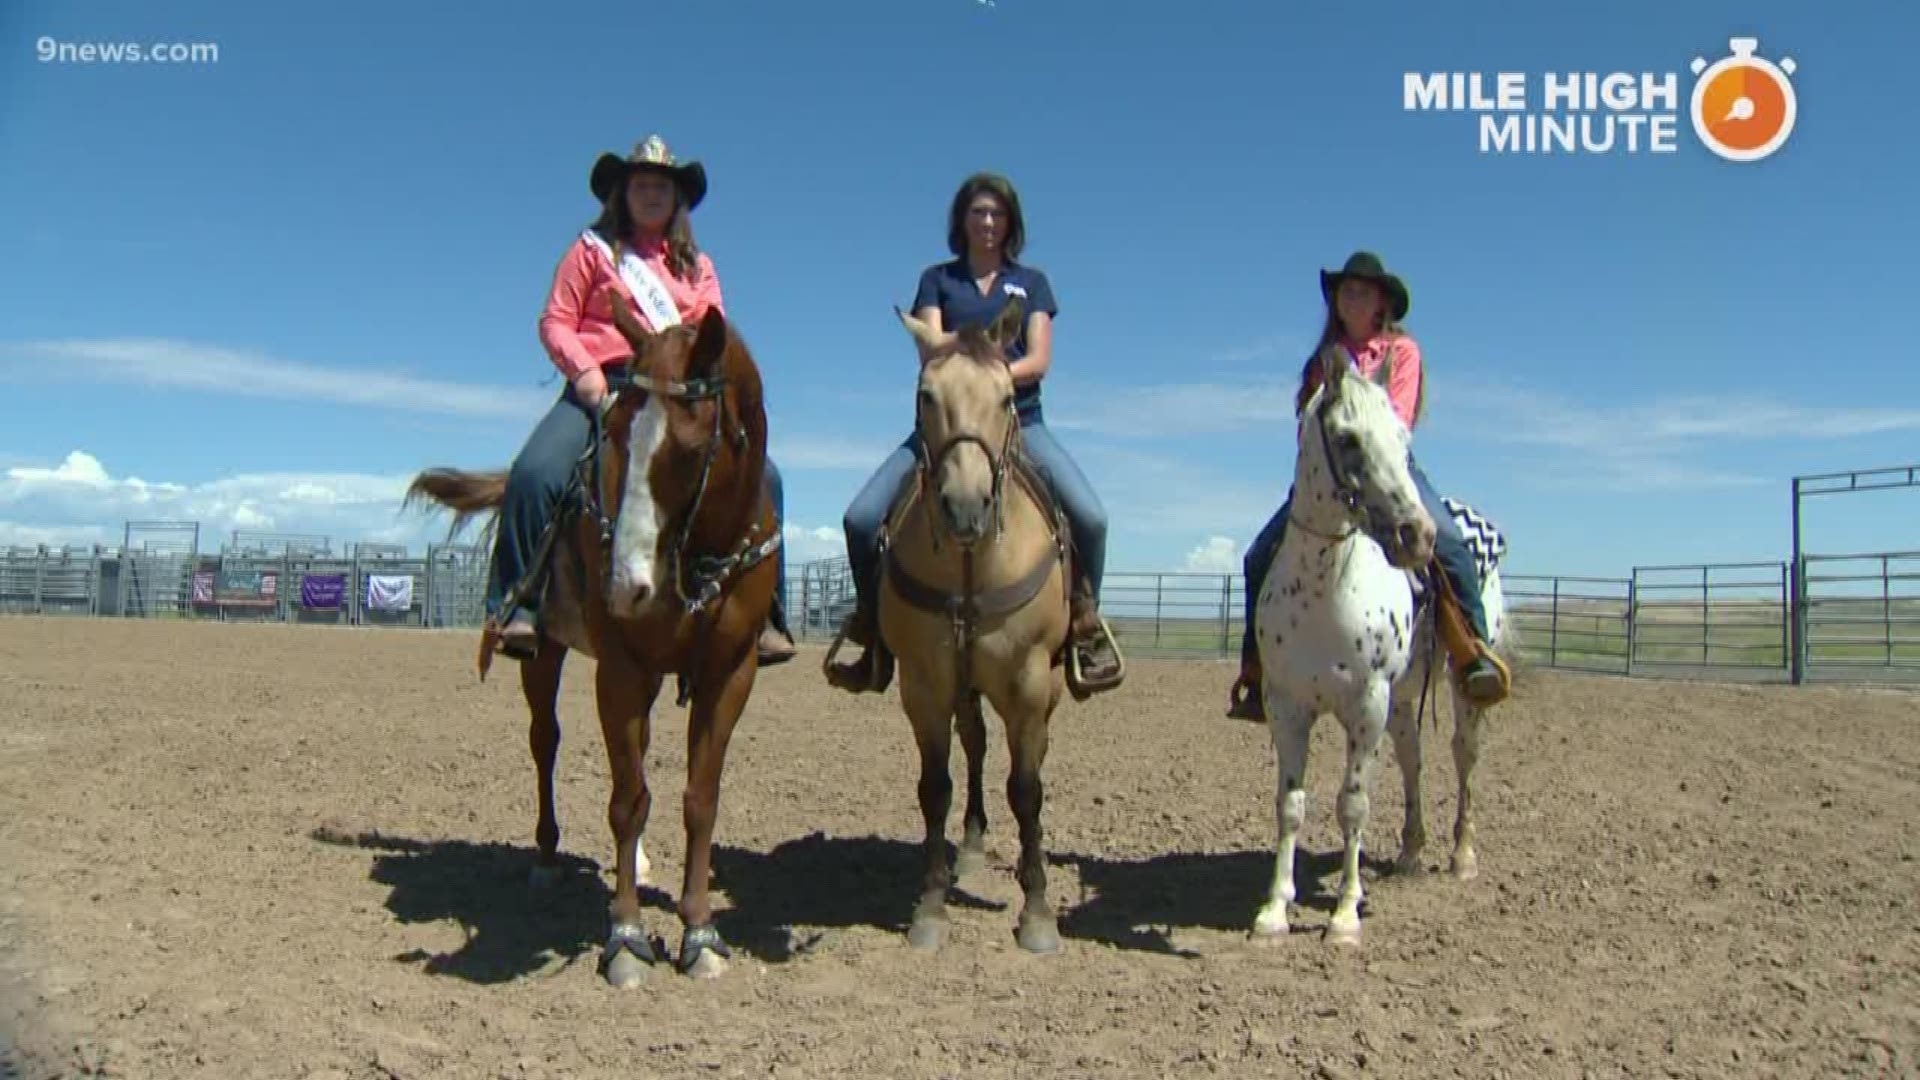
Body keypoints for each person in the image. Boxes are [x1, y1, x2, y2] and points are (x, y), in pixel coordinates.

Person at [484, 134, 796, 665]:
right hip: (602, 385)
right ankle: (517, 604)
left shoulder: (698, 266)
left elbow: (711, 336)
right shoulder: (590, 251)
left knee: (765, 477)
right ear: (622, 195)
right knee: (536, 472)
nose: (652, 194)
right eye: (642, 185)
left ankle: (766, 614)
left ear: (677, 200)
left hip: (675, 394)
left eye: (662, 187)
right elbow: (556, 320)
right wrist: (585, 373)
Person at [825, 171, 1122, 693]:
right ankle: (872, 628)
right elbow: (930, 348)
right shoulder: (937, 280)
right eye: (978, 212)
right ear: (961, 220)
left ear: (1011, 223)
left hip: (1019, 420)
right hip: (944, 427)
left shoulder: (1031, 284)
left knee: (1092, 519)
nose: (987, 222)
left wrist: (989, 375)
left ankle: (1083, 624)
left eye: (997, 213)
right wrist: (972, 366)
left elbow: (1039, 359)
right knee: (861, 518)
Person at [1225, 250, 1508, 720]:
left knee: (1449, 542)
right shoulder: (1321, 364)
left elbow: (1397, 421)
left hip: (1390, 468)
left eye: (1363, 292)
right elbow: (1306, 430)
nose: (1352, 299)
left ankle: (1472, 654)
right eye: (1345, 291)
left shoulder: (1401, 352)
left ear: (1381, 303)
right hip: (1329, 474)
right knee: (1258, 556)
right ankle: (1256, 672)